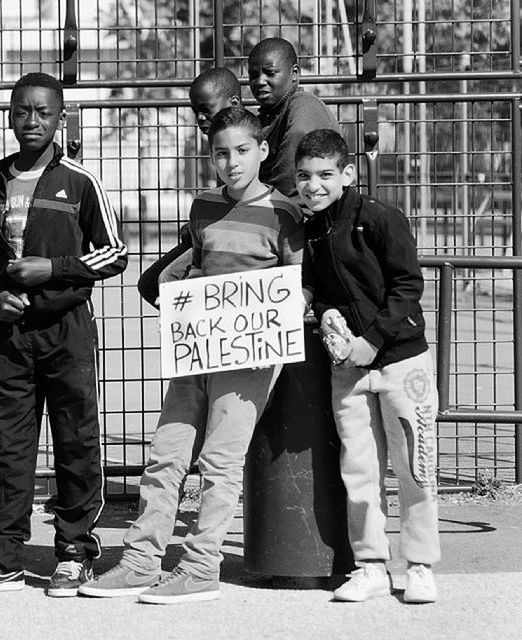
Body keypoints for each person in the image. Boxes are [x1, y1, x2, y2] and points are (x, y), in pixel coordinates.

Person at [78, 106, 304, 604]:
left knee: (220, 463)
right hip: (198, 349)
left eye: (242, 151)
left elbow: (298, 288)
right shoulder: (202, 206)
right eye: (221, 153)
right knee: (166, 454)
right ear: (211, 156)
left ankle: (202, 568)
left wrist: (263, 308)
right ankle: (140, 561)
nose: (232, 162)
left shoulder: (284, 213)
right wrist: (178, 286)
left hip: (248, 357)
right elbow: (197, 264)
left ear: (263, 151)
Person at [0, 72, 128, 597]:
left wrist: (55, 269)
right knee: (9, 445)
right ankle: (0, 555)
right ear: (10, 116)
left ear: (59, 118)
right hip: (9, 335)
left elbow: (113, 252)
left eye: (43, 113)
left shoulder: (79, 182)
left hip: (66, 330)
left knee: (76, 438)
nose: (32, 121)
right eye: (22, 111)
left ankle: (73, 551)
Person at [296, 129, 440, 604]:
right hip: (349, 369)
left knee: (415, 466)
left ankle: (419, 565)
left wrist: (373, 340)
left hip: (401, 361)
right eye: (303, 176)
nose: (313, 185)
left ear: (347, 175)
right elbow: (316, 281)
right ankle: (371, 564)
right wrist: (306, 298)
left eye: (324, 175)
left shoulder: (379, 218)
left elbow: (407, 285)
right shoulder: (310, 228)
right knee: (358, 468)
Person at [137, 66, 243, 308]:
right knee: (152, 283)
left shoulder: (248, 139)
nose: (200, 119)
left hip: (241, 233)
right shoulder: (216, 141)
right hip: (217, 226)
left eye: (206, 110)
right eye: (196, 112)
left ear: (234, 103)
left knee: (165, 282)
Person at [248, 37, 340, 198]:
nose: (260, 81)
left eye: (270, 73)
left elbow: (287, 180)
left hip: (299, 210)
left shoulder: (304, 106)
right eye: (253, 76)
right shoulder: (266, 116)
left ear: (295, 73)